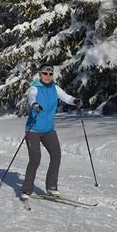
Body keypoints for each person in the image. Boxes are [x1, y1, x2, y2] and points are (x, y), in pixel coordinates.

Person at [20, 65, 83, 200]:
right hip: (33, 130)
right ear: (40, 74)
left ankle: (51, 187)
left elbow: (66, 97)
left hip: (48, 130)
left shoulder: (55, 87)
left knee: (56, 155)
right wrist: (35, 105)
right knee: (35, 159)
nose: (47, 76)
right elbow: (31, 98)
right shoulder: (34, 88)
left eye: (50, 74)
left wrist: (74, 101)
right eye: (45, 73)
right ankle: (26, 190)